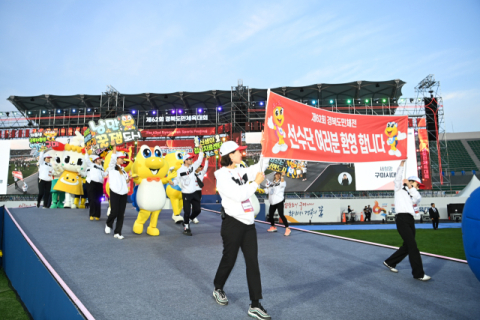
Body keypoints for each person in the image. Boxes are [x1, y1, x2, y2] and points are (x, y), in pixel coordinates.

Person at [213, 138, 271, 320]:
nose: (241, 153)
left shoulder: (241, 170)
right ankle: (218, 287)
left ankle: (255, 304)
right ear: (229, 156)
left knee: (252, 262)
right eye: (238, 151)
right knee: (229, 259)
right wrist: (255, 183)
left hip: (248, 224)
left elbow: (260, 166)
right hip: (232, 224)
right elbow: (239, 195)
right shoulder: (221, 175)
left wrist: (266, 145)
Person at [383, 160, 431, 281]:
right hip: (402, 219)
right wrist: (401, 165)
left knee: (407, 246)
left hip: (410, 220)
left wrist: (411, 187)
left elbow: (417, 198)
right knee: (413, 246)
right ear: (411, 181)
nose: (418, 187)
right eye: (417, 184)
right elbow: (397, 178)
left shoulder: (413, 194)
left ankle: (390, 262)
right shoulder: (399, 189)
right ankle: (418, 274)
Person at [105, 144, 137, 240]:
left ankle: (117, 232)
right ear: (117, 159)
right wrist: (114, 146)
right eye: (121, 158)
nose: (123, 160)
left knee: (121, 213)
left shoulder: (122, 170)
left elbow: (125, 181)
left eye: (123, 158)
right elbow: (113, 156)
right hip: (114, 191)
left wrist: (130, 178)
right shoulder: (112, 167)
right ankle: (108, 224)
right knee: (114, 211)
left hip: (123, 193)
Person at [174, 148, 204, 235]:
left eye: (191, 159)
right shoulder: (180, 170)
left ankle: (188, 220)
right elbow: (177, 180)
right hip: (186, 193)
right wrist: (172, 183)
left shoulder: (193, 167)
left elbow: (199, 161)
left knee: (198, 210)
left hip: (194, 193)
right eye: (190, 159)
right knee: (187, 212)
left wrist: (201, 151)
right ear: (185, 160)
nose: (192, 160)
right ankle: (186, 227)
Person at [265, 171, 290, 236]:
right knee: (270, 215)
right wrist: (265, 187)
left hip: (279, 201)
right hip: (272, 202)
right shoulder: (271, 183)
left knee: (281, 215)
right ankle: (273, 227)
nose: (278, 175)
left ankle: (287, 229)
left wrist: (282, 176)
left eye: (279, 174)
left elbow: (282, 183)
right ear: (274, 175)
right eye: (276, 174)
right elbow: (267, 191)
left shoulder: (282, 182)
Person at [86, 154, 107, 221]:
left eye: (100, 159)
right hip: (92, 183)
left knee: (98, 199)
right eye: (98, 159)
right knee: (92, 199)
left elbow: (104, 174)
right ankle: (92, 214)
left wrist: (109, 171)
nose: (100, 160)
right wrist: (86, 152)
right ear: (95, 160)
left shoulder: (101, 167)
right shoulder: (91, 165)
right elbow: (87, 160)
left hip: (99, 183)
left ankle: (97, 215)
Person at [192, 155, 210, 223]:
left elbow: (205, 168)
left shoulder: (201, 173)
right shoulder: (192, 173)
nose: (200, 168)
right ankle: (193, 217)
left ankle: (193, 216)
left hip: (199, 191)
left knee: (197, 205)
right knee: (193, 204)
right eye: (199, 167)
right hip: (192, 191)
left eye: (200, 167)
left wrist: (207, 160)